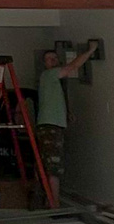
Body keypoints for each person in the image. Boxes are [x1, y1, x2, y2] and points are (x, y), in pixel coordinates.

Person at [34, 40, 97, 200]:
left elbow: (55, 100)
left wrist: (67, 112)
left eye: (55, 58)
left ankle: (46, 200)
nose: (53, 61)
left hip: (52, 125)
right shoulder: (48, 75)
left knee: (48, 163)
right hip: (50, 126)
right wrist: (90, 51)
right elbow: (72, 67)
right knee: (54, 166)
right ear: (44, 63)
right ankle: (53, 203)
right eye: (49, 59)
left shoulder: (53, 81)